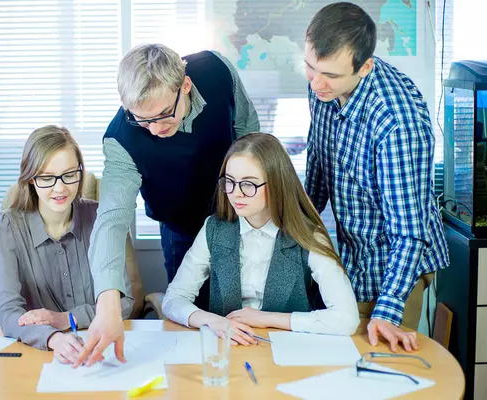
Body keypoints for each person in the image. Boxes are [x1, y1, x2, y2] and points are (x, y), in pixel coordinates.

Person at [76, 44, 259, 366]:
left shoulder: (216, 71)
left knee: (248, 318)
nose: (156, 129)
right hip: (181, 229)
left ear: (184, 86)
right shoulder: (121, 140)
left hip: (238, 215)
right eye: (142, 121)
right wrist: (107, 305)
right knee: (194, 324)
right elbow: (111, 221)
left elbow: (248, 131)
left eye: (163, 115)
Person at [303, 2, 449, 352]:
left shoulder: (397, 122)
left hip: (397, 265)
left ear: (365, 66)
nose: (317, 83)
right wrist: (296, 224)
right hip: (353, 251)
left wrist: (387, 310)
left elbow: (410, 235)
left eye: (331, 76)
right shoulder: (323, 82)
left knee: (377, 360)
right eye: (310, 67)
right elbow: (319, 166)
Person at [162, 133, 360, 343]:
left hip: (290, 348)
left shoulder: (310, 234)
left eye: (248, 184)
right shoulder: (214, 228)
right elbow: (173, 299)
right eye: (229, 181)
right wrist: (210, 320)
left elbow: (346, 319)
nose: (235, 193)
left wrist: (266, 319)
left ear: (277, 184)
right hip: (228, 346)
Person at [0, 125, 133, 364]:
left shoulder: (101, 218)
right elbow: (8, 311)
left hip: (102, 349)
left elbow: (124, 301)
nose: (60, 188)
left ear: (80, 172)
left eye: (69, 175)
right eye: (46, 177)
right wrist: (53, 337)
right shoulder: (6, 227)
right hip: (38, 355)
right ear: (31, 179)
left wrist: (66, 319)